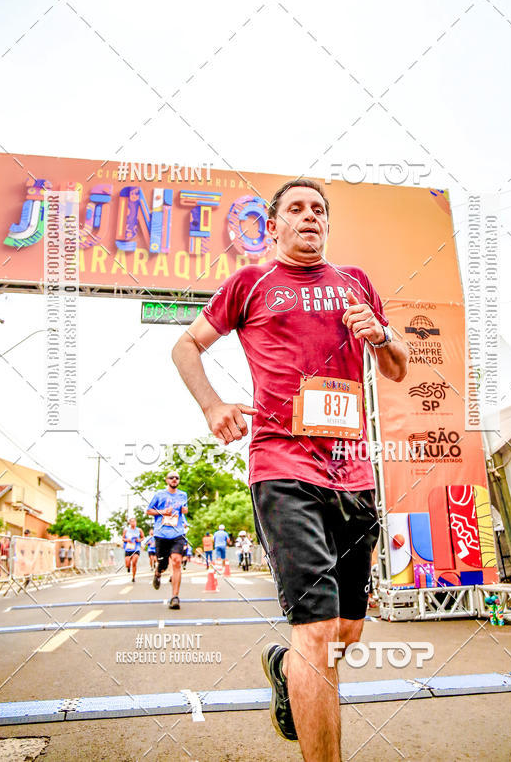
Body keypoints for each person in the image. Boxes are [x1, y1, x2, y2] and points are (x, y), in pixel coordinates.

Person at [172, 178, 408, 762]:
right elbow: (185, 346)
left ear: (328, 223)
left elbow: (398, 368)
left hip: (353, 474)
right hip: (282, 467)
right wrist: (213, 404)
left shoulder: (356, 284)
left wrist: (380, 336)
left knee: (348, 632)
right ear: (273, 225)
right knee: (318, 631)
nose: (310, 217)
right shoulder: (252, 282)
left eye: (319, 210)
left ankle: (283, 668)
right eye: (296, 209)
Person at [146, 471, 188, 610]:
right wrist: (163, 512)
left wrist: (184, 510)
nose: (174, 479)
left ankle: (175, 597)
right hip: (161, 534)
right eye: (172, 477)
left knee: (176, 561)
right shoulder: (159, 495)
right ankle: (158, 573)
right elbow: (149, 511)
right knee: (163, 565)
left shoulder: (183, 495)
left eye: (177, 478)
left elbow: (184, 511)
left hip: (178, 533)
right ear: (166, 480)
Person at [121, 517, 144, 583]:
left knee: (134, 562)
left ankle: (133, 577)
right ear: (129, 523)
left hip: (136, 548)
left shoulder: (139, 530)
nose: (133, 523)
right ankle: (128, 567)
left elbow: (142, 537)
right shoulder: (126, 530)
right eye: (132, 522)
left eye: (134, 521)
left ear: (136, 522)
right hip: (128, 549)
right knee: (127, 564)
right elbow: (123, 538)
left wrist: (139, 540)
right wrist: (127, 540)